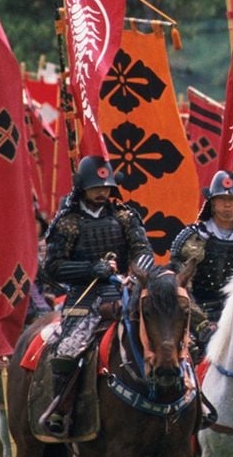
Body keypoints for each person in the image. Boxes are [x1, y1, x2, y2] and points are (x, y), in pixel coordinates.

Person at [38, 155, 153, 439]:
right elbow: (52, 267)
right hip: (84, 299)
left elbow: (143, 250)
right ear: (83, 188)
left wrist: (138, 272)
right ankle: (62, 408)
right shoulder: (68, 222)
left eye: (105, 187)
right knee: (68, 350)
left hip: (124, 292)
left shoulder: (125, 217)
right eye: (95, 187)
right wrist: (91, 269)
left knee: (168, 337)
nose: (102, 192)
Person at [169, 169, 233, 358]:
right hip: (197, 319)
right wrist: (202, 325)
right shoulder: (192, 239)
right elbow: (179, 286)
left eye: (232, 200)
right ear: (212, 203)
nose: (227, 205)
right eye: (221, 199)